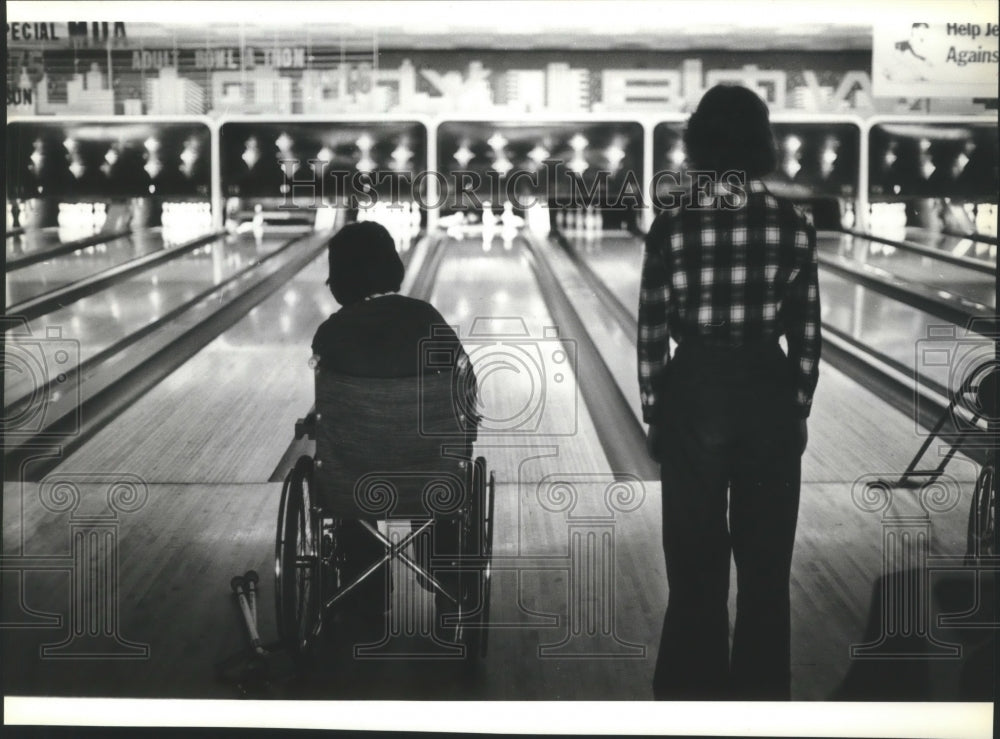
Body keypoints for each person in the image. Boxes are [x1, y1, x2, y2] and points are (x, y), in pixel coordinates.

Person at [638, 84, 821, 700]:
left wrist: (655, 412)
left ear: (697, 145)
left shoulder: (673, 223)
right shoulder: (794, 224)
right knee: (767, 573)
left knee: (694, 569)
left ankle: (690, 697)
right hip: (766, 389)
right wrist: (796, 408)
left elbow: (651, 331)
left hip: (694, 390)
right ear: (761, 142)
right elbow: (808, 334)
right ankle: (763, 701)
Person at [311, 220, 478, 623]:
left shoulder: (330, 335)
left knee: (349, 463)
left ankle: (364, 591)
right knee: (440, 457)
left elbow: (326, 410)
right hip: (430, 477)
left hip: (354, 482)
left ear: (338, 280)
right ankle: (448, 580)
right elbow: (467, 398)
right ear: (393, 266)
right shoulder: (428, 319)